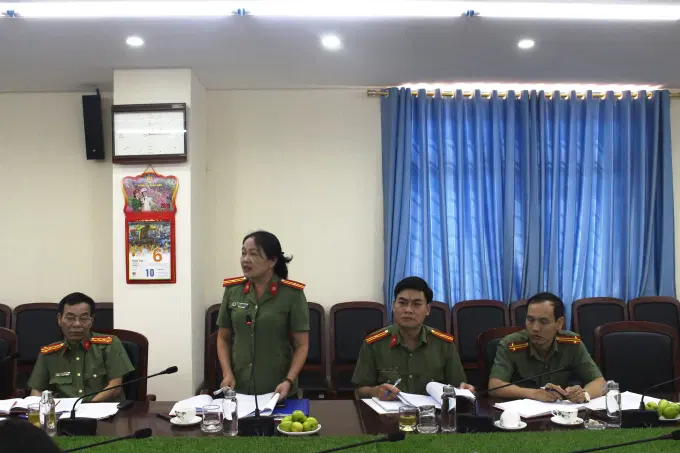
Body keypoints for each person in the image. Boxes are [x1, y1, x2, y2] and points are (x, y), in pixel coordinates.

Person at [216, 231, 309, 399]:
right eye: (243, 253)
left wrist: (289, 380)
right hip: (239, 387)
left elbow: (302, 345)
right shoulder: (232, 291)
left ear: (272, 261)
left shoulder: (292, 294)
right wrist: (227, 373)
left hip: (277, 388)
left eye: (253, 254)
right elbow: (223, 338)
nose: (245, 259)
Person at [352, 276, 475, 400]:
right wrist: (375, 391)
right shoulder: (374, 343)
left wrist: (465, 390)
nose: (408, 310)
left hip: (432, 411)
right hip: (389, 411)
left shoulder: (444, 344)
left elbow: (458, 386)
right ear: (393, 306)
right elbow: (359, 391)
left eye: (416, 304)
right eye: (402, 303)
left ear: (427, 309)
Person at [488, 292, 605, 403]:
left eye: (543, 322)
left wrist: (584, 394)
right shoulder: (511, 344)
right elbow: (494, 385)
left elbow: (599, 382)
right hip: (521, 413)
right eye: (530, 320)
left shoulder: (572, 343)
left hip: (560, 412)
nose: (535, 328)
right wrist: (534, 394)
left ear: (559, 323)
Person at [27, 292, 135, 402]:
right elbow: (36, 391)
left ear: (91, 320)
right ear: (59, 319)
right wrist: (41, 407)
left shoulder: (109, 345)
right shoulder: (49, 353)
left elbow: (115, 387)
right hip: (64, 411)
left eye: (83, 319)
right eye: (70, 318)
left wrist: (86, 407)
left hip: (104, 410)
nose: (77, 324)